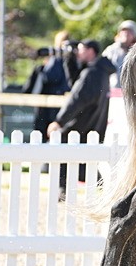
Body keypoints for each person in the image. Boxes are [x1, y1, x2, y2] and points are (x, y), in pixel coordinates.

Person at [48, 40, 117, 199]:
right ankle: (104, 189)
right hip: (94, 123)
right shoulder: (101, 71)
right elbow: (76, 84)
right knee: (86, 161)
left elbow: (76, 98)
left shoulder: (92, 72)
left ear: (91, 51)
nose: (78, 53)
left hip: (82, 123)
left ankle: (63, 189)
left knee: (66, 152)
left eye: (81, 49)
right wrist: (69, 61)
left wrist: (59, 121)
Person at [24, 44, 72, 135]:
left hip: (51, 109)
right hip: (48, 108)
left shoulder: (60, 62)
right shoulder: (64, 63)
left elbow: (51, 77)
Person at [103, 20, 136, 87]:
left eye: (129, 31)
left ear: (134, 35)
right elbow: (102, 69)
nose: (126, 33)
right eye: (123, 31)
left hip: (132, 90)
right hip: (113, 89)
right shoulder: (110, 50)